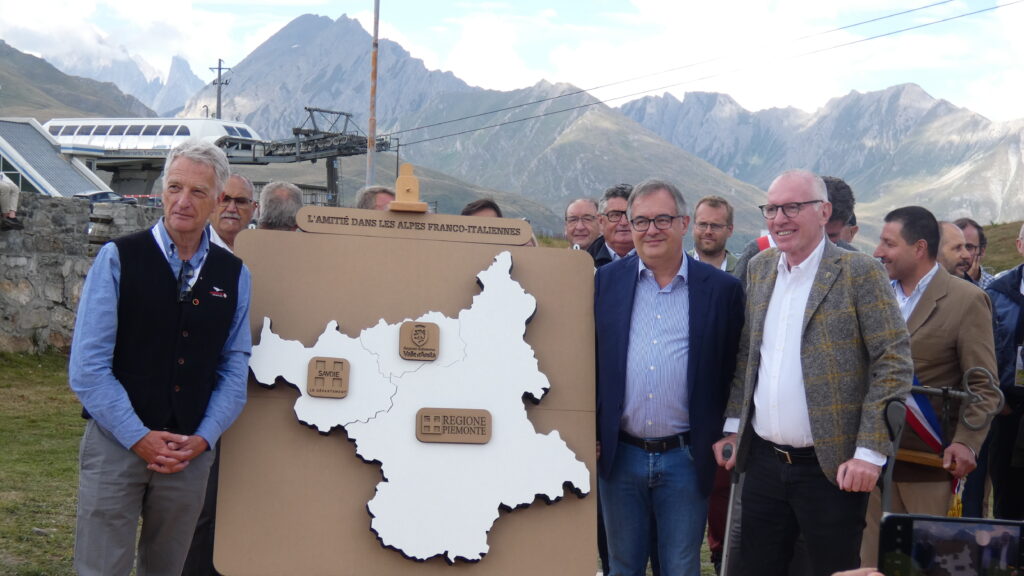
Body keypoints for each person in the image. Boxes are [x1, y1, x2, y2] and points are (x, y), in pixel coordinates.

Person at [714, 169, 912, 576]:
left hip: (833, 467)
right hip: (765, 463)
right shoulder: (761, 268)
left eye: (792, 207)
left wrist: (869, 453)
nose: (779, 218)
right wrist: (734, 426)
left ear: (823, 212)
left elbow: (893, 363)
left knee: (831, 570)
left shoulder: (861, 273)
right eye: (771, 208)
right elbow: (749, 356)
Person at [68, 140, 252, 576]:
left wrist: (204, 437)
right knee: (101, 568)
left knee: (168, 569)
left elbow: (233, 365)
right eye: (175, 188)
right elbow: (88, 368)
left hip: (189, 453)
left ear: (217, 200)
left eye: (198, 192)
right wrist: (138, 436)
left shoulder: (234, 275)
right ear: (161, 192)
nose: (183, 202)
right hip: (116, 445)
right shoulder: (118, 258)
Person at [596, 178, 744, 575]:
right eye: (640, 221)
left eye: (662, 219)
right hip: (620, 454)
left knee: (680, 566)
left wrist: (730, 428)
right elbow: (590, 362)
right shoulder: (604, 283)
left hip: (686, 456)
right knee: (622, 565)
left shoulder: (723, 289)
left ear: (683, 223)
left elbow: (737, 367)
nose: (651, 230)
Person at [862, 206, 1000, 566]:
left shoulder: (967, 300)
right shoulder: (872, 291)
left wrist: (966, 442)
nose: (878, 251)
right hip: (871, 462)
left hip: (929, 468)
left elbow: (984, 387)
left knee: (926, 568)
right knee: (869, 567)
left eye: (888, 243)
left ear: (919, 247)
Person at [734, 175, 857, 281]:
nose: (823, 241)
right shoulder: (757, 255)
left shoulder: (856, 265)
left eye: (832, 236)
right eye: (817, 231)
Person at [985, 223, 1024, 520]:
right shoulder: (998, 292)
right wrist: (999, 400)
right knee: (1007, 493)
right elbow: (982, 351)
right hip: (1008, 408)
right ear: (1019, 246)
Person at [587, 184, 634, 268]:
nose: (623, 222)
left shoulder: (659, 262)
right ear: (601, 222)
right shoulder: (584, 266)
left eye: (630, 215)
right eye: (615, 215)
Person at [689, 195, 737, 274]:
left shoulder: (743, 271)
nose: (708, 231)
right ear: (693, 227)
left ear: (730, 230)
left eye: (715, 226)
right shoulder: (677, 266)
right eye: (702, 224)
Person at [209, 174, 256, 252]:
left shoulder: (263, 250)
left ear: (253, 209)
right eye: (224, 200)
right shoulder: (191, 245)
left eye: (240, 201)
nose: (231, 209)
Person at [955, 218, 995, 289]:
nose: (963, 254)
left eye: (968, 247)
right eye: (957, 247)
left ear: (982, 251)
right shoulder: (936, 286)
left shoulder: (996, 288)